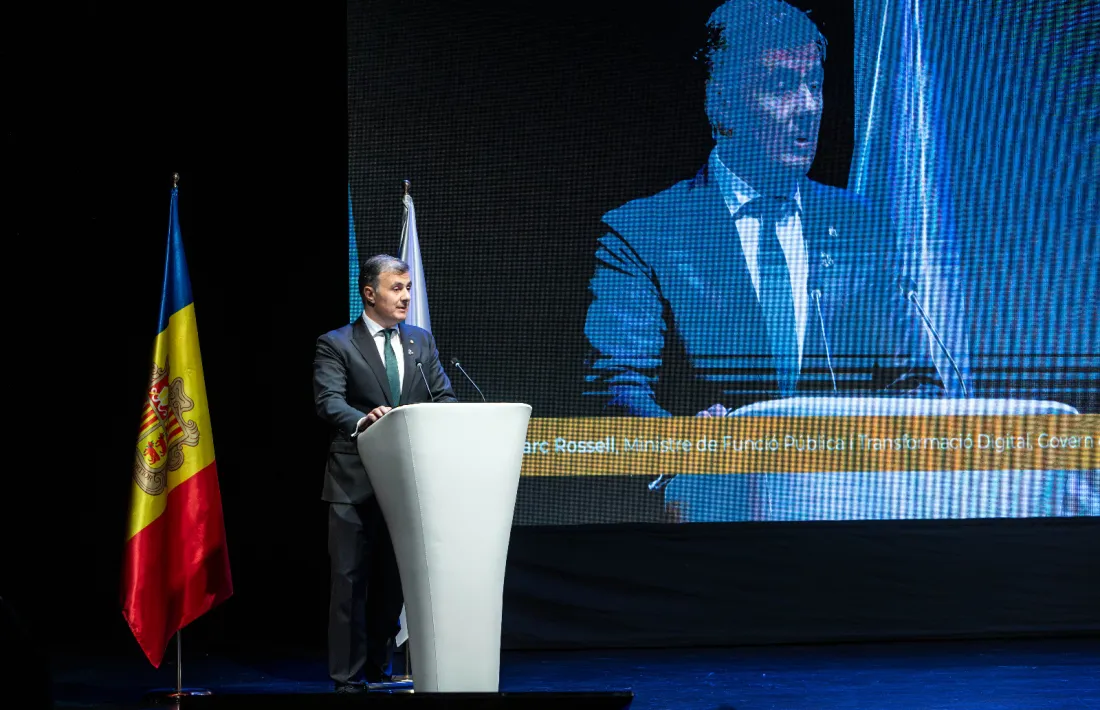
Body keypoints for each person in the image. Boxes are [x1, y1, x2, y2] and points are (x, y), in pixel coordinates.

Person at [582, 0, 942, 419]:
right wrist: (689, 444)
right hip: (711, 480)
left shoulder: (859, 225)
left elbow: (917, 383)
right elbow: (617, 388)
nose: (808, 106)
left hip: (840, 482)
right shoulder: (642, 232)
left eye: (814, 83)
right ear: (721, 103)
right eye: (782, 85)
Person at [313, 254, 456, 693]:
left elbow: (443, 396)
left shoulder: (420, 343)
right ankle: (348, 677)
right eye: (397, 288)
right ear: (370, 292)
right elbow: (328, 401)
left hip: (406, 483)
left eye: (409, 288)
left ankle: (380, 669)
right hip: (353, 481)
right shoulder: (336, 343)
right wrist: (365, 419)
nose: (407, 297)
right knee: (350, 583)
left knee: (392, 584)